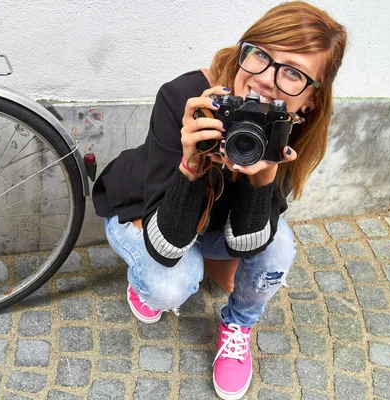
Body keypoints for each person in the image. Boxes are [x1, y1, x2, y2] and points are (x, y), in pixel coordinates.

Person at [92, 2, 346, 399]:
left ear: (311, 101)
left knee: (277, 254)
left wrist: (262, 182)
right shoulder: (186, 98)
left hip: (216, 221)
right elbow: (166, 247)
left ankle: (239, 323)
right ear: (245, 48)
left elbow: (252, 243)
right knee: (170, 284)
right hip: (147, 207)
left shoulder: (291, 129)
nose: (265, 80)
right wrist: (191, 166)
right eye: (261, 54)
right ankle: (142, 280)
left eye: (294, 73)